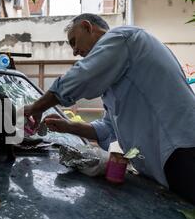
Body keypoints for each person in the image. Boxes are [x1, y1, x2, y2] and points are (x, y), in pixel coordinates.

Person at [23, 13, 195, 204]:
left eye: (74, 42)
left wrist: (35, 108)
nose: (75, 51)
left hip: (184, 151)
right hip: (166, 163)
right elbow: (108, 128)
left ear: (88, 27)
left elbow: (80, 77)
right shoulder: (119, 73)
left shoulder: (124, 38)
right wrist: (67, 127)